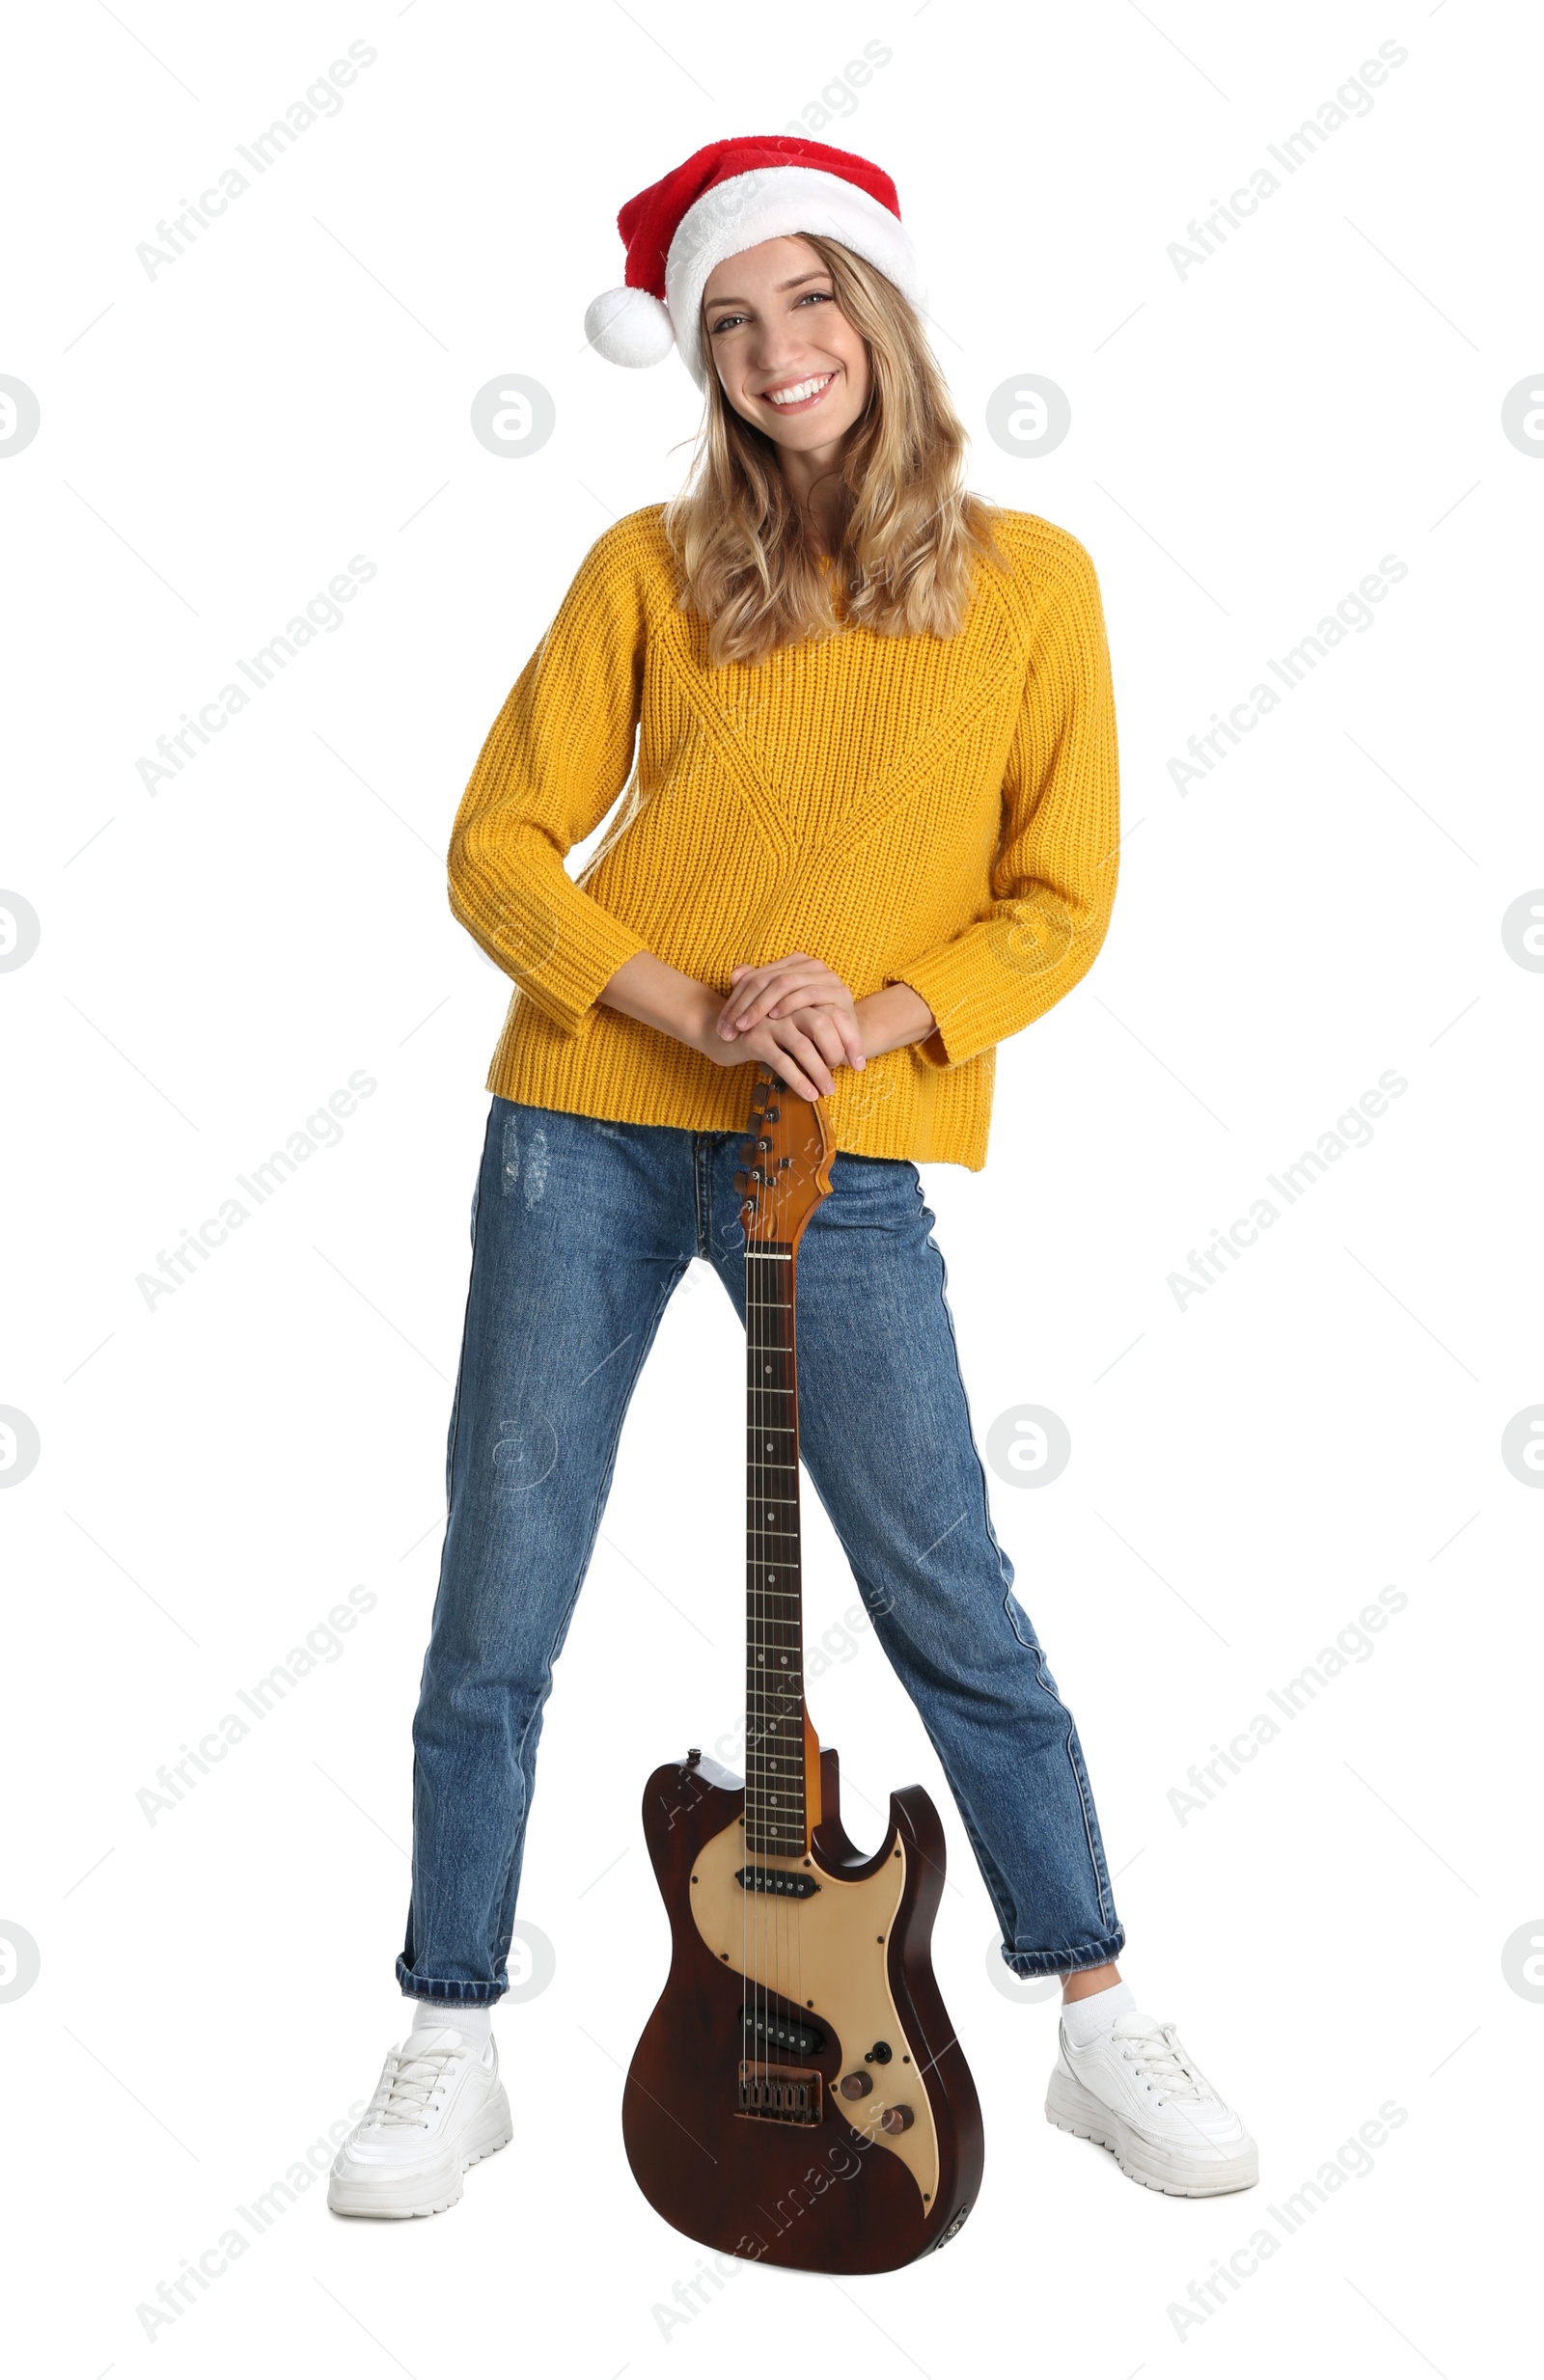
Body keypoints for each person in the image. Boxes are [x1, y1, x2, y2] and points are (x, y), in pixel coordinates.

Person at [328, 135, 1255, 2223]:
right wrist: (693, 996)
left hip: (840, 1147)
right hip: (581, 1122)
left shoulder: (1035, 586)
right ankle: (448, 2034)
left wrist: (882, 1011)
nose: (773, 352)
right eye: (729, 325)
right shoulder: (645, 566)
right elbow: (497, 848)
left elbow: (1058, 900)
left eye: (806, 302)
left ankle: (1094, 2009)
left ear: (882, 312)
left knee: (945, 1586)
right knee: (503, 1584)